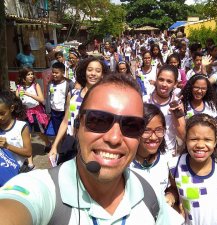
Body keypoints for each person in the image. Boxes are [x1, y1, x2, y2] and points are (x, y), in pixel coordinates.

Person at [0, 73, 172, 225]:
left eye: (131, 126)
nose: (114, 138)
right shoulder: (41, 188)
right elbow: (14, 207)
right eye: (98, 121)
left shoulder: (150, 191)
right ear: (76, 128)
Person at [48, 57, 107, 164]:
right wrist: (55, 146)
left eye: (98, 71)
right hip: (70, 143)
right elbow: (65, 121)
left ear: (102, 75)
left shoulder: (104, 98)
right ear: (84, 72)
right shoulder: (73, 94)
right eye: (90, 70)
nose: (93, 73)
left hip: (91, 145)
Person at [143, 65, 185, 159]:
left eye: (169, 81)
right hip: (145, 151)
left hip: (167, 153)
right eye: (161, 79)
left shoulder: (177, 103)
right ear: (156, 80)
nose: (164, 84)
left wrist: (176, 115)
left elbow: (183, 135)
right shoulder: (145, 101)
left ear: (175, 84)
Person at [16, 68, 50, 168]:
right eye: (28, 75)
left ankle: (48, 143)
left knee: (40, 132)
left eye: (31, 74)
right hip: (24, 113)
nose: (31, 76)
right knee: (27, 136)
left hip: (36, 112)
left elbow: (41, 99)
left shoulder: (36, 85)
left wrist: (29, 94)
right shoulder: (19, 87)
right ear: (23, 77)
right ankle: (30, 163)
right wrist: (17, 94)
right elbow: (17, 100)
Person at [0, 91, 32, 185]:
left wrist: (7, 146)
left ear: (11, 108)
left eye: (2, 113)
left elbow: (28, 152)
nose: (0, 117)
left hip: (18, 173)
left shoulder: (21, 127)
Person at [45, 62, 74, 138]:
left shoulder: (69, 83)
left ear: (63, 72)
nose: (54, 74)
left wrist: (71, 111)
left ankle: (64, 146)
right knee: (56, 131)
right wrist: (48, 110)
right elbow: (48, 97)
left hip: (64, 112)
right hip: (54, 112)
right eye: (53, 72)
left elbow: (73, 98)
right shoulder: (50, 83)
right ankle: (57, 145)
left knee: (65, 131)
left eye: (56, 73)